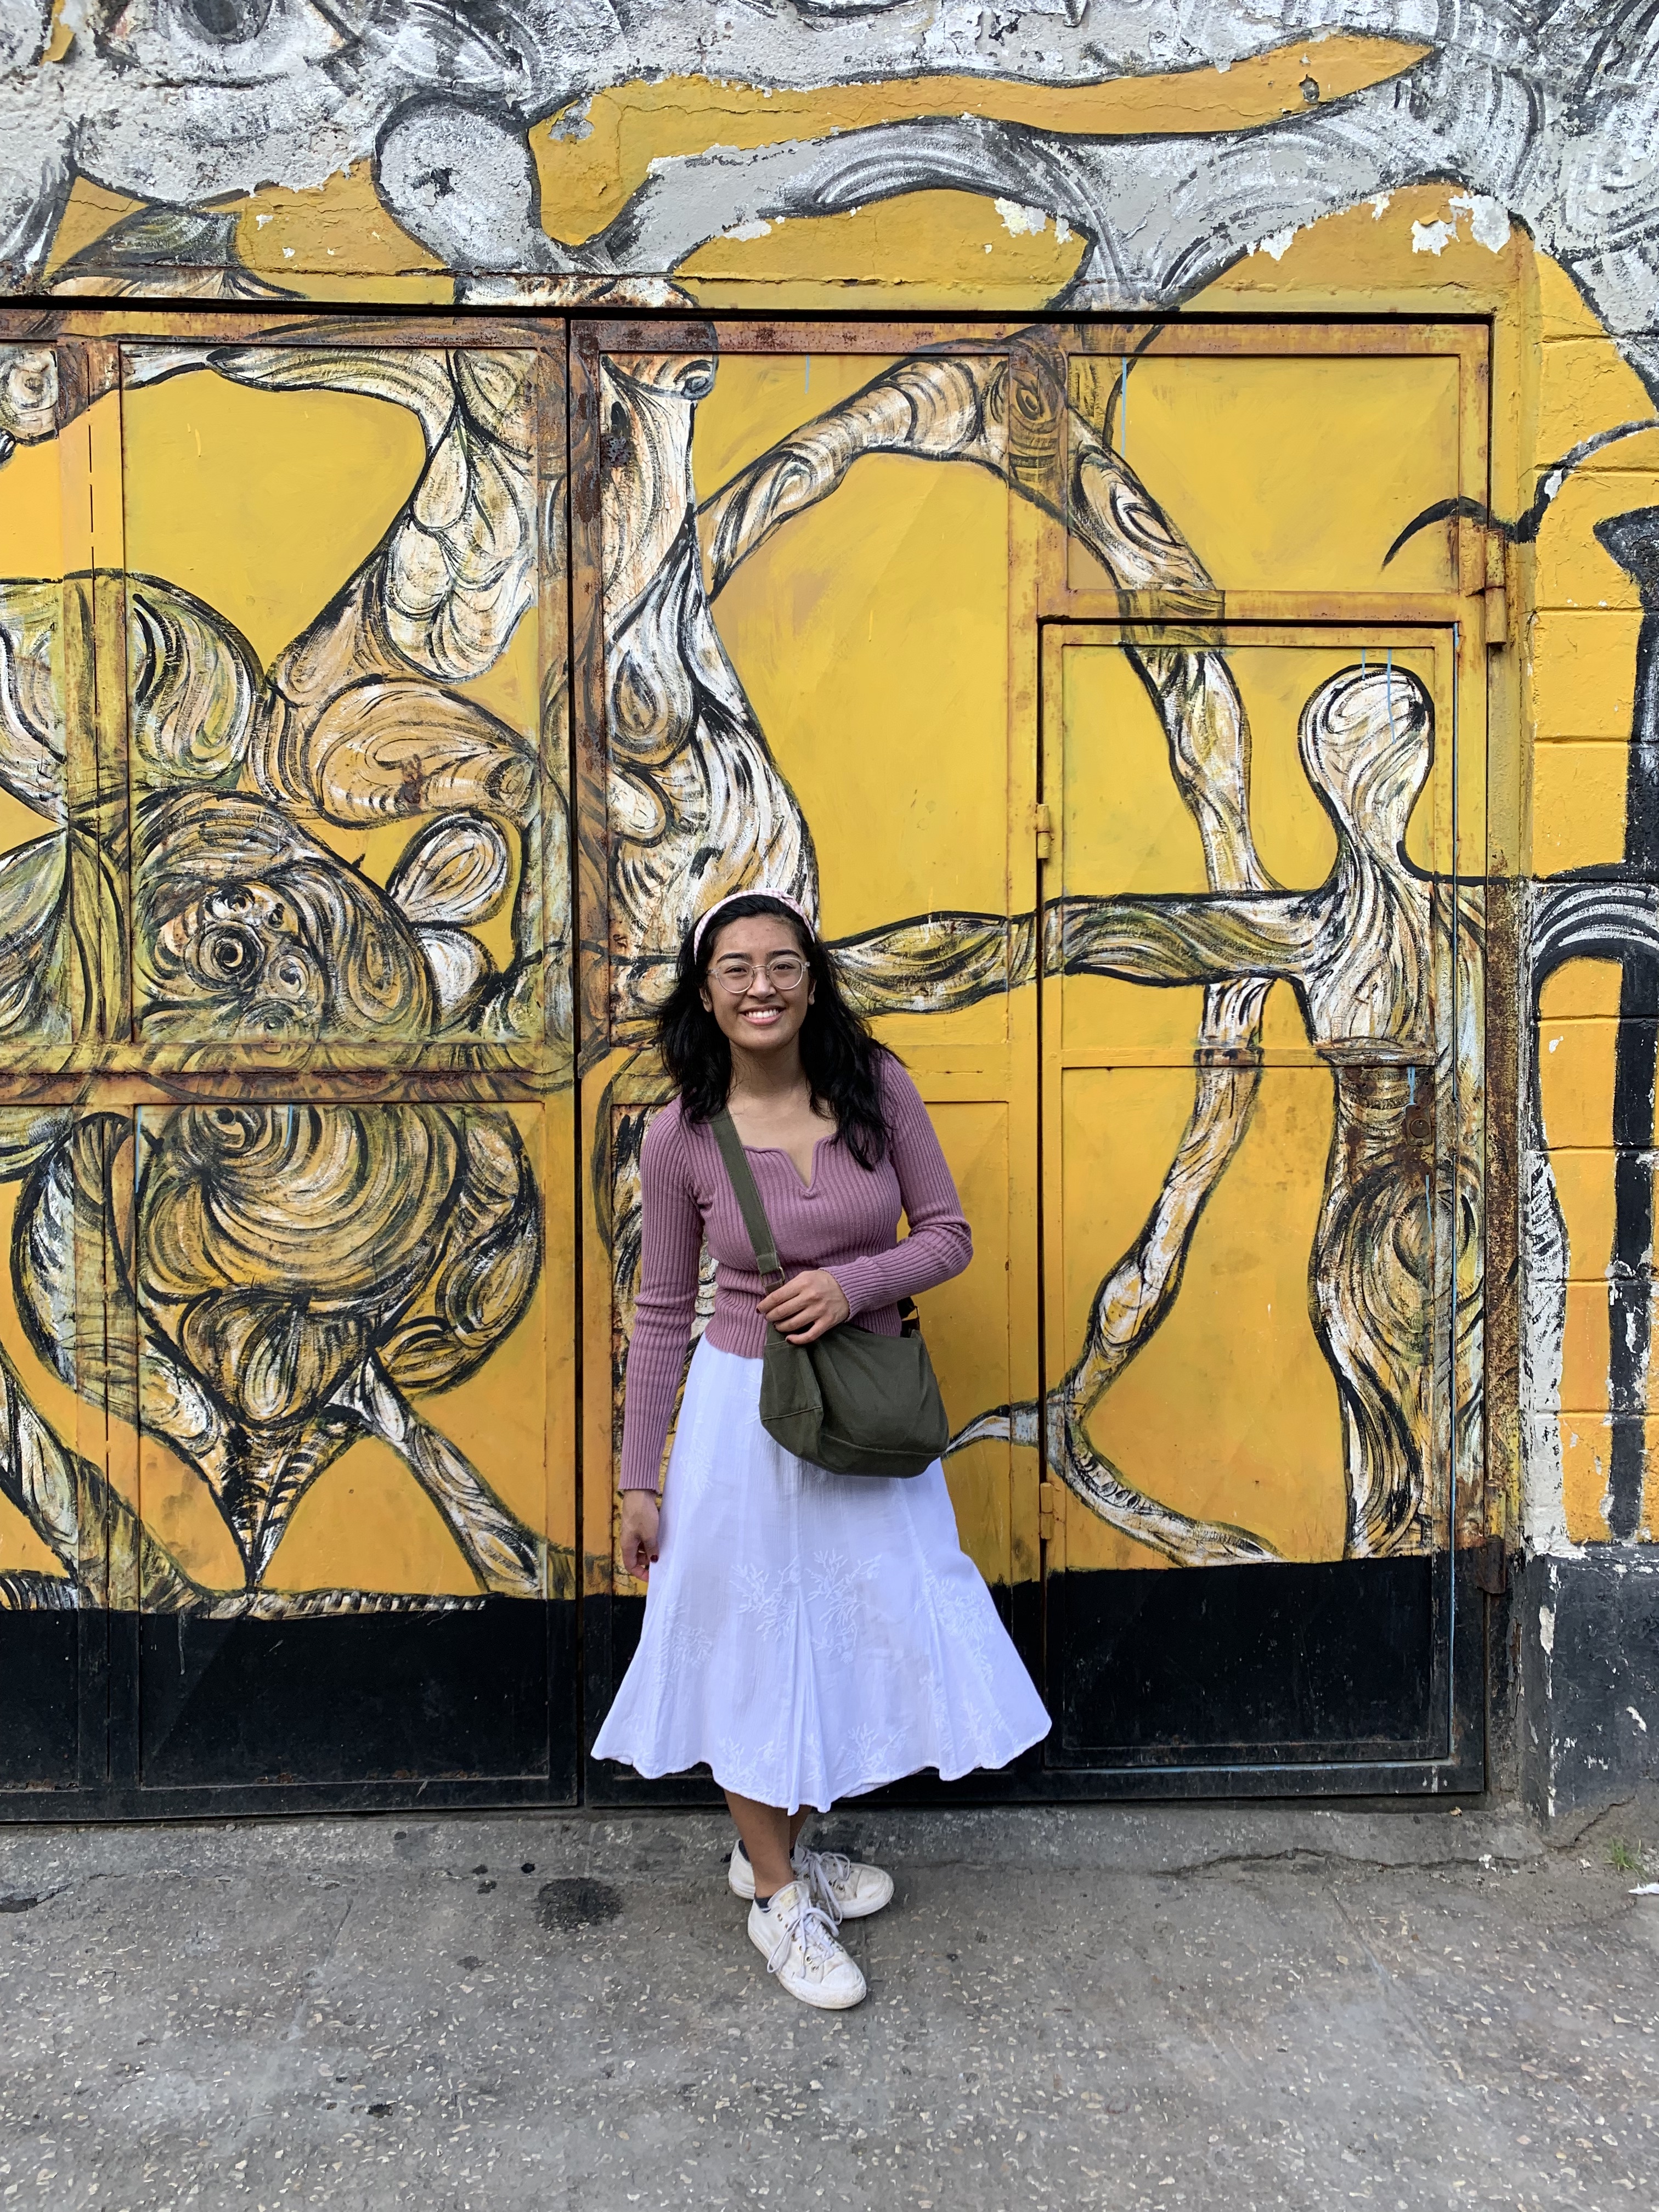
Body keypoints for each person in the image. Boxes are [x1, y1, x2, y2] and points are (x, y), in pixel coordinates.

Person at [591, 889, 1051, 2010]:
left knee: (868, 1623)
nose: (762, 985)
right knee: (752, 1644)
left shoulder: (875, 1089)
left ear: (812, 979)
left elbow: (947, 1236)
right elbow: (661, 1315)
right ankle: (781, 1897)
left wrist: (852, 1282)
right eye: (736, 968)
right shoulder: (679, 1137)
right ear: (705, 994)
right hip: (743, 1421)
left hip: (864, 1413)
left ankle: (772, 1849)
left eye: (783, 965)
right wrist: (638, 1478)